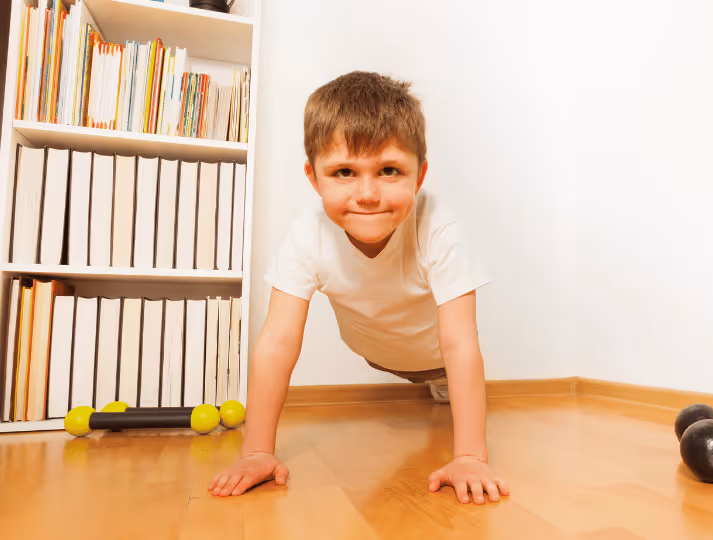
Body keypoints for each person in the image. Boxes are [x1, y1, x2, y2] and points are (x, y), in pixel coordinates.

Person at [208, 71, 509, 505]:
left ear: (419, 175)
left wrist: (470, 457)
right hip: (375, 352)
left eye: (389, 170)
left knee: (448, 378)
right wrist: (257, 451)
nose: (367, 194)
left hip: (435, 358)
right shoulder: (307, 233)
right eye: (344, 172)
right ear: (313, 179)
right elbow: (277, 341)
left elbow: (460, 343)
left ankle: (438, 388)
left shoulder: (439, 226)